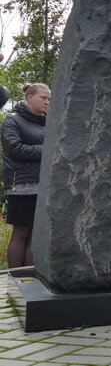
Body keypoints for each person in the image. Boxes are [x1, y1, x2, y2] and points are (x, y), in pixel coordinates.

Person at [2, 83, 50, 268]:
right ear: (29, 97)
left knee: (34, 232)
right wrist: (48, 149)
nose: (47, 102)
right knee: (21, 231)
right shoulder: (12, 121)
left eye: (49, 99)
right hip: (21, 184)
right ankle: (15, 279)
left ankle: (30, 279)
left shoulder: (45, 122)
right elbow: (14, 150)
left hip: (43, 183)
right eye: (43, 98)